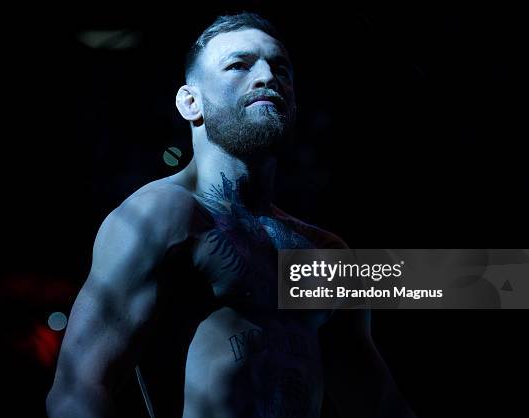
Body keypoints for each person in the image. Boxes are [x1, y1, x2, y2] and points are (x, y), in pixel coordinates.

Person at [46, 12, 415, 418]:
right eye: (240, 65)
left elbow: (376, 400)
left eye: (280, 68)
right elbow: (77, 391)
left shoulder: (326, 251)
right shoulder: (163, 214)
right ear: (190, 102)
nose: (267, 77)